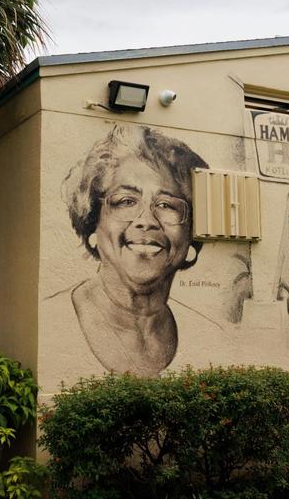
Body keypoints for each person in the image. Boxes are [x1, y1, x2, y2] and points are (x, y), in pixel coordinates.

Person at [58, 125, 208, 376]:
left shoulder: (209, 331)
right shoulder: (51, 321)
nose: (146, 220)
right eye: (126, 201)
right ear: (92, 222)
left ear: (190, 237)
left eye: (166, 205)